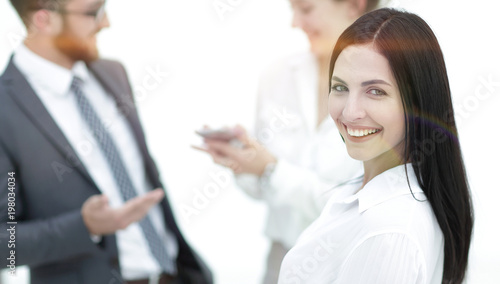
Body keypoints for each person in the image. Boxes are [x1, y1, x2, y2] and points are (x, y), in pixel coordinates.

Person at [0, 0, 212, 283]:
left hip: (173, 274)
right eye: (94, 12)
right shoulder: (5, 108)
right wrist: (84, 226)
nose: (106, 22)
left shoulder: (113, 74)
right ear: (44, 20)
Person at [278, 8, 474, 283]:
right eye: (340, 87)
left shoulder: (387, 231)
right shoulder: (363, 192)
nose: (350, 112)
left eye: (376, 91)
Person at [195, 0, 380, 283]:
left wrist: (272, 170)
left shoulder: (386, 89)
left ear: (354, 5)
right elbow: (259, 189)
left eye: (305, 9)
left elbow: (362, 207)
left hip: (350, 262)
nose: (294, 23)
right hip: (282, 260)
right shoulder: (278, 75)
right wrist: (243, 161)